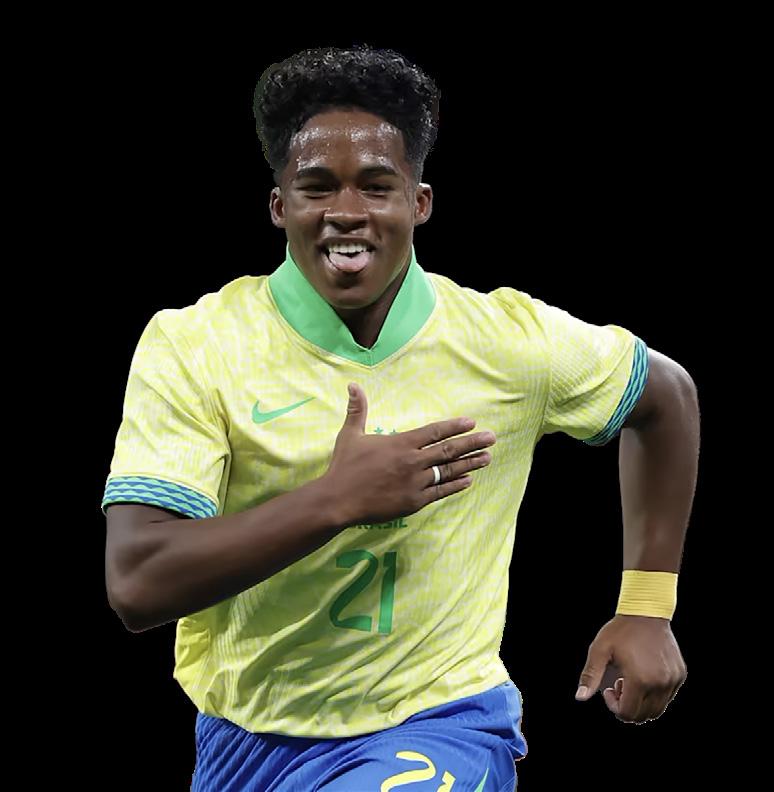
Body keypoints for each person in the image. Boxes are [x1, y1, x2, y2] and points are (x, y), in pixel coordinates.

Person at [102, 45, 698, 791]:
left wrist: (647, 607)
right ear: (280, 205)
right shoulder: (195, 345)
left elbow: (666, 398)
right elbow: (138, 582)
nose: (347, 211)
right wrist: (336, 500)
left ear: (419, 203)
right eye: (317, 187)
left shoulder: (509, 342)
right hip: (242, 737)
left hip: (439, 721)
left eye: (377, 186)